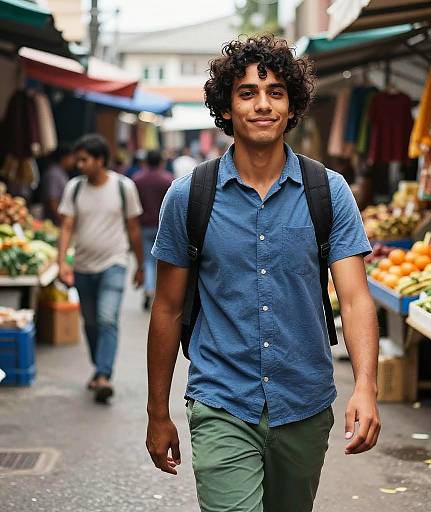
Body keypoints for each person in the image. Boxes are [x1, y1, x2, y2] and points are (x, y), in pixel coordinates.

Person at [145, 36, 380, 512]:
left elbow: (355, 298)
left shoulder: (328, 192)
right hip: (221, 400)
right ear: (226, 107)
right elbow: (167, 308)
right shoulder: (189, 196)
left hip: (304, 404)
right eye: (247, 93)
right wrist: (157, 413)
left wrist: (366, 387)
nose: (262, 105)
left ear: (292, 106)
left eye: (275, 92)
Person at [57, 134, 144, 403]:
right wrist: (62, 261)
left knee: (107, 319)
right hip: (82, 266)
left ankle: (104, 375)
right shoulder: (74, 188)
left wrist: (140, 265)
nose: (79, 164)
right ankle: (99, 368)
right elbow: (67, 226)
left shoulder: (124, 187)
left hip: (114, 263)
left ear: (100, 160)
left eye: (84, 159)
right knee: (91, 322)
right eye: (78, 159)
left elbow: (133, 228)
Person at [133, 149, 174, 310]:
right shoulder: (167, 180)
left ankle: (148, 289)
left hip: (143, 226)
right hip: (162, 226)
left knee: (148, 260)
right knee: (160, 261)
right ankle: (156, 290)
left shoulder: (137, 180)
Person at [40, 144, 76, 225]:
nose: (74, 161)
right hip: (54, 223)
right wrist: (64, 221)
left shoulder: (61, 172)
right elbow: (53, 201)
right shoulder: (54, 174)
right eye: (72, 157)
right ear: (64, 158)